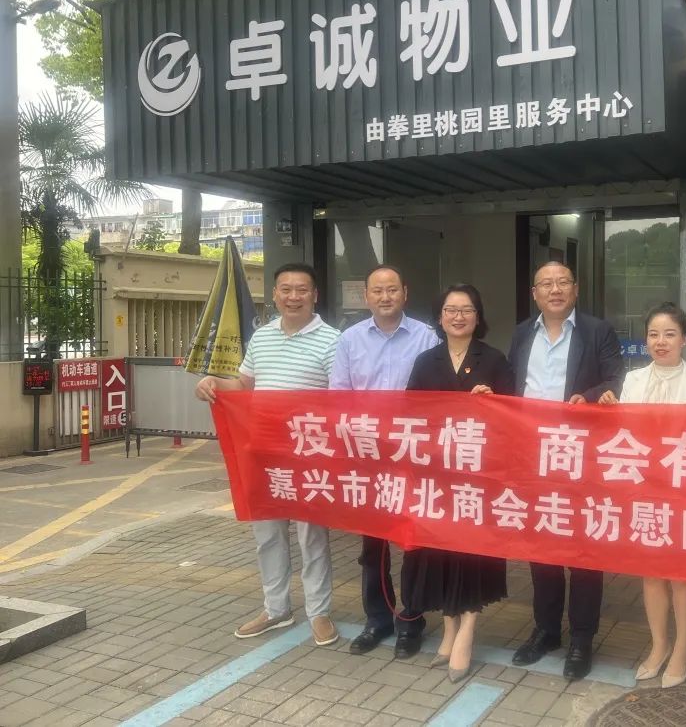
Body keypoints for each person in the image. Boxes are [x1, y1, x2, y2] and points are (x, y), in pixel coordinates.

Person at [194, 263, 340, 648]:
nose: (293, 297)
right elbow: (244, 384)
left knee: (312, 536)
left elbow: (341, 398)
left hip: (308, 455)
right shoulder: (261, 337)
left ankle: (319, 611)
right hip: (265, 453)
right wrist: (213, 382)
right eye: (285, 289)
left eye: (302, 290)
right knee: (268, 535)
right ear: (274, 295)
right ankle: (276, 608)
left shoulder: (333, 341)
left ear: (314, 295)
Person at [508, 261, 625, 681]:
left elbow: (617, 379)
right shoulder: (522, 333)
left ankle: (581, 637)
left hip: (581, 455)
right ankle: (545, 630)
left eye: (562, 283)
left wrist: (588, 398)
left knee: (583, 548)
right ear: (534, 293)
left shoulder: (597, 331)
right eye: (546, 283)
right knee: (541, 545)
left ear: (575, 290)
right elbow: (511, 383)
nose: (555, 289)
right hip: (533, 454)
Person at [598, 302, 686, 689]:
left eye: (669, 334)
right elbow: (623, 435)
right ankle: (659, 645)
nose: (660, 341)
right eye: (653, 334)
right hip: (645, 489)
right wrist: (609, 410)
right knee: (650, 573)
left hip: (683, 492)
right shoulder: (633, 380)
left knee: (682, 576)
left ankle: (683, 648)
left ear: (684, 339)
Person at [401, 284, 513, 683]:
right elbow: (412, 414)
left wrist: (492, 401)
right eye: (451, 310)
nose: (458, 316)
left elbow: (514, 418)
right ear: (440, 316)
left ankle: (467, 629)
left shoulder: (494, 359)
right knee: (441, 553)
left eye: (466, 310)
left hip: (479, 478)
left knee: (472, 553)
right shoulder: (425, 361)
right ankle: (449, 628)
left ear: (478, 317)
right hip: (438, 476)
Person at [328, 265, 440, 658]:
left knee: (413, 541)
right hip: (369, 456)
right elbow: (339, 395)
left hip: (412, 455)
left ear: (405, 293)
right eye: (377, 290)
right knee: (372, 545)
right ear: (366, 296)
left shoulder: (427, 336)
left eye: (392, 289)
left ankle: (411, 620)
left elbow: (437, 396)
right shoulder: (350, 339)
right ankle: (377, 619)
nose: (385, 296)